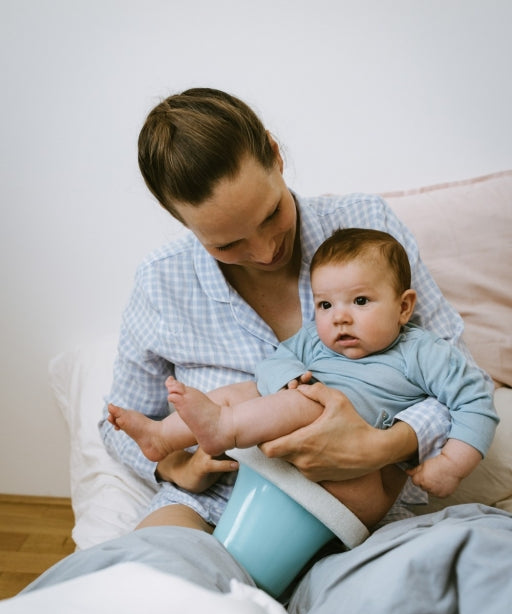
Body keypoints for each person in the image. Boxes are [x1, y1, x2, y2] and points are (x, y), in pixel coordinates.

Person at [96, 87, 489, 537]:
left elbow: (460, 376)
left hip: (350, 513)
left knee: (446, 569)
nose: (265, 252)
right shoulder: (161, 281)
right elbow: (121, 424)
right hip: (213, 505)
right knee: (155, 578)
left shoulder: (365, 229)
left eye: (270, 215)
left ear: (276, 157)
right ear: (184, 223)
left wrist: (382, 445)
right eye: (226, 244)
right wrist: (176, 468)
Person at [108, 228, 497, 528]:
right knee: (244, 390)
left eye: (360, 301)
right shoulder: (315, 339)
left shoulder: (422, 351)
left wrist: (451, 464)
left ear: (404, 306)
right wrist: (289, 378)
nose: (339, 317)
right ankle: (164, 437)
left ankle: (224, 428)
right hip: (281, 479)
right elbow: (274, 360)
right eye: (325, 304)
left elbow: (476, 401)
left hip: (360, 485)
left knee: (307, 402)